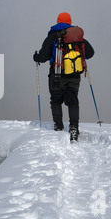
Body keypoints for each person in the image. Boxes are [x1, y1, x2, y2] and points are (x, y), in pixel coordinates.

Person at [33, 12, 95, 141]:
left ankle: (58, 126)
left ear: (57, 21)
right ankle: (74, 128)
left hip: (56, 74)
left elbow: (43, 56)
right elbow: (90, 53)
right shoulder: (77, 36)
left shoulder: (53, 36)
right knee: (73, 101)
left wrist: (36, 57)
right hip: (74, 75)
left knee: (56, 100)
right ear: (70, 21)